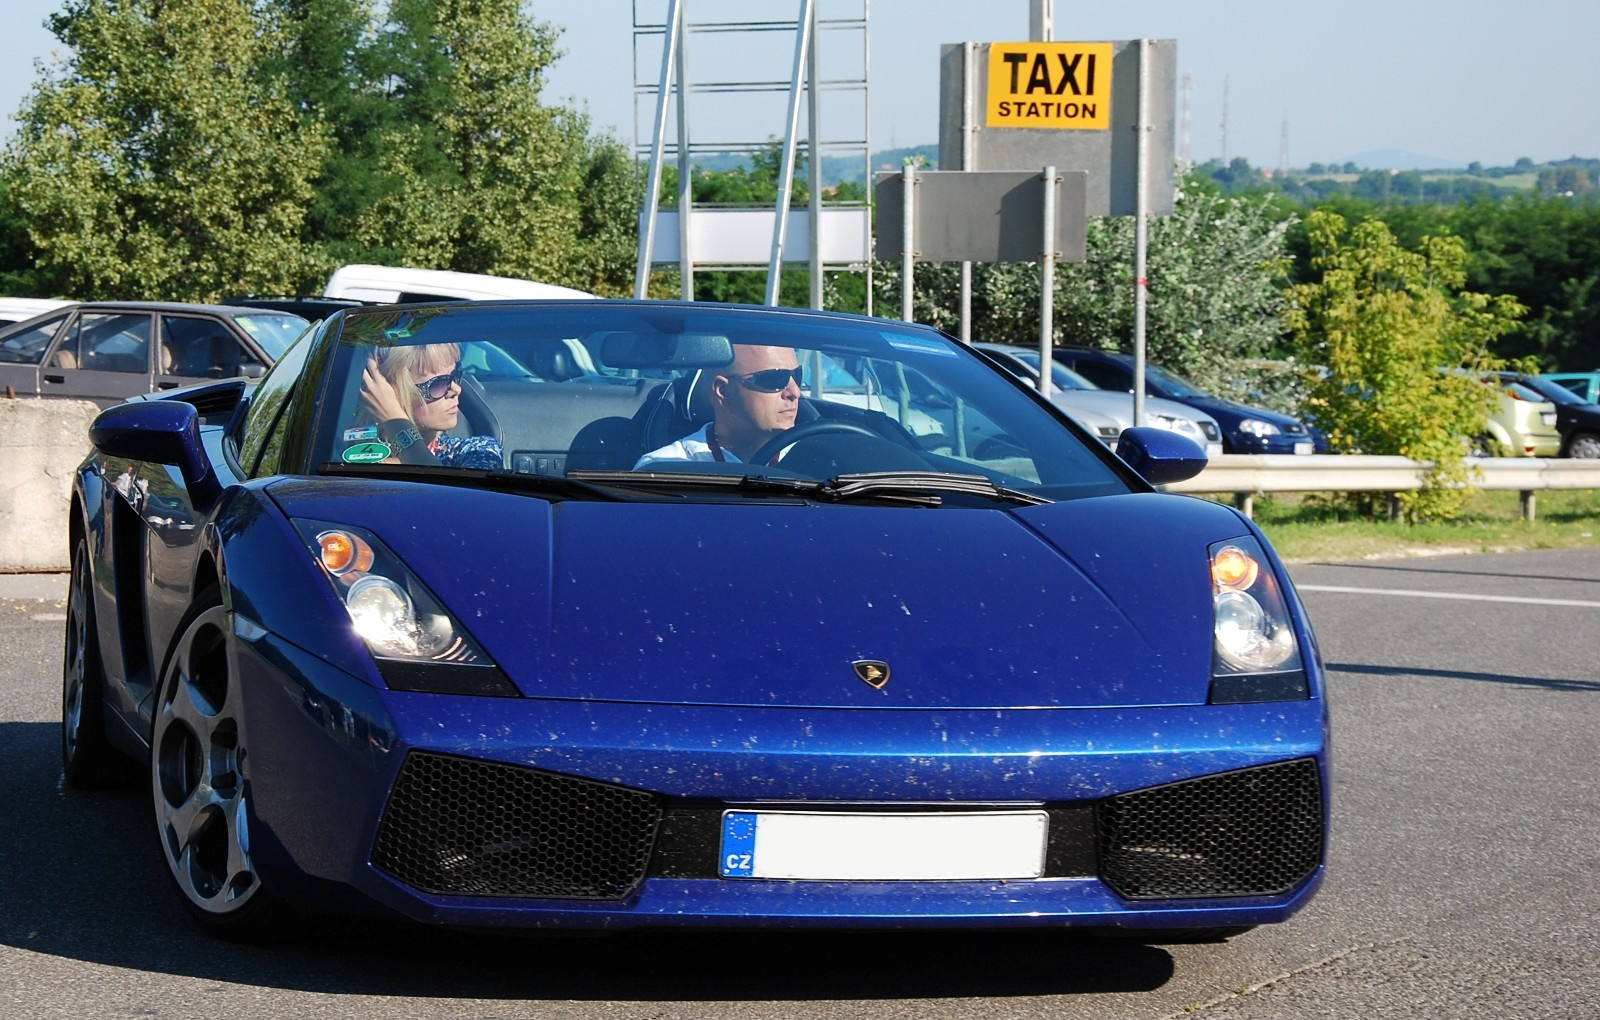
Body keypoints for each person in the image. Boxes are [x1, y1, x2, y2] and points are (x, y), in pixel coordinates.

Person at [634, 344, 802, 468]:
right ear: (723, 391)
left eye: (797, 375)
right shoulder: (665, 468)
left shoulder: (821, 461)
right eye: (775, 379)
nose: (795, 392)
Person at [358, 342, 503, 469]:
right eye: (439, 383)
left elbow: (448, 498)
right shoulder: (344, 454)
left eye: (456, 375)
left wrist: (394, 421)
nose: (457, 390)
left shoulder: (476, 450)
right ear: (386, 392)